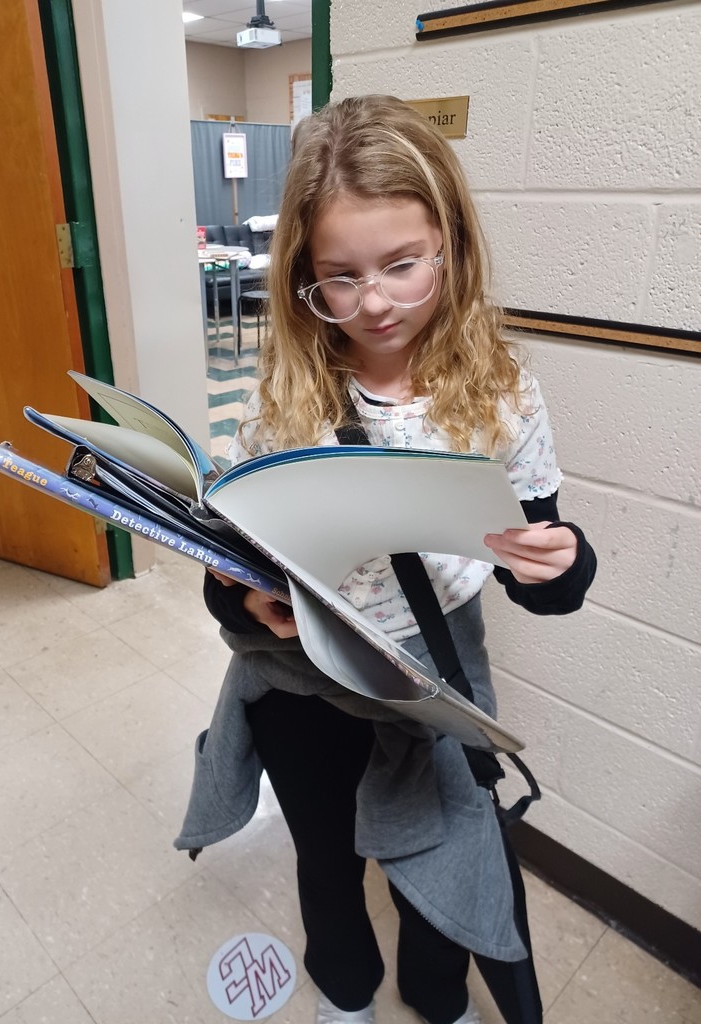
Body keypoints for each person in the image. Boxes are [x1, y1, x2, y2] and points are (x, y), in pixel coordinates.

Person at [175, 95, 597, 1024]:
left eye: (403, 266)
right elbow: (233, 572)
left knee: (439, 855)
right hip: (301, 679)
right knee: (324, 859)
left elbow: (546, 564)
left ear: (450, 244)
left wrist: (562, 564)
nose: (372, 302)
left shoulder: (499, 391)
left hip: (430, 674)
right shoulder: (282, 394)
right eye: (339, 276)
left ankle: (434, 995)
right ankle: (345, 993)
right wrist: (241, 601)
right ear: (304, 276)